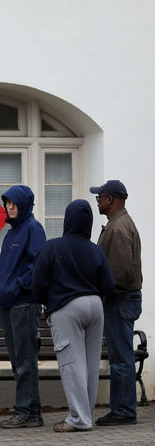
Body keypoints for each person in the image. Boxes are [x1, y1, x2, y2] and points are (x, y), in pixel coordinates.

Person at [32, 199, 115, 432]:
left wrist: (47, 301)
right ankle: (84, 415)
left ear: (67, 220)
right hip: (95, 306)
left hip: (66, 308)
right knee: (89, 364)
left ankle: (79, 419)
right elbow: (108, 284)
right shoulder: (95, 250)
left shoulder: (52, 247)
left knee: (71, 363)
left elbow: (37, 284)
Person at [89, 180, 143, 426]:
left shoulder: (119, 228)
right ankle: (122, 408)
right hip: (121, 299)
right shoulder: (118, 224)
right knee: (122, 356)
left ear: (110, 199)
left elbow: (120, 274)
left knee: (121, 358)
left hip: (119, 300)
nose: (97, 200)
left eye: (100, 196)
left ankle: (123, 410)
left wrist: (102, 290)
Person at [0, 185, 46, 429]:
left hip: (24, 304)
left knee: (25, 361)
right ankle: (31, 412)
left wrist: (16, 287)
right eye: (7, 202)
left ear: (24, 204)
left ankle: (27, 412)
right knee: (19, 361)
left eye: (14, 203)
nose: (9, 207)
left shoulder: (33, 229)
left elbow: (38, 266)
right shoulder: (11, 232)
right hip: (9, 304)